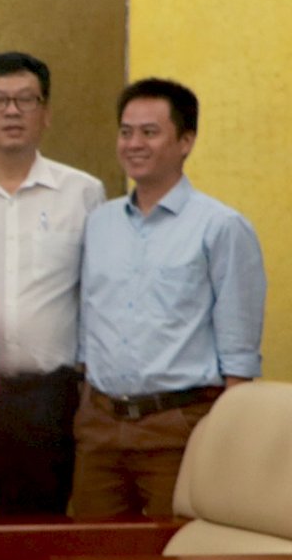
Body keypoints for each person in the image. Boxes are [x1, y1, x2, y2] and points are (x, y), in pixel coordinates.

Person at [73, 78, 265, 518]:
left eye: (149, 132)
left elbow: (239, 357)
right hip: (101, 429)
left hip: (178, 428)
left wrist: (223, 441)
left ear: (185, 141)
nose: (134, 144)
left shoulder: (221, 226)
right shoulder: (99, 224)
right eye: (126, 132)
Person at [0, 52, 104, 516]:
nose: (12, 111)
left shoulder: (83, 192)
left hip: (49, 400)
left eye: (25, 100)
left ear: (45, 113)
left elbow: (94, 293)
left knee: (40, 528)